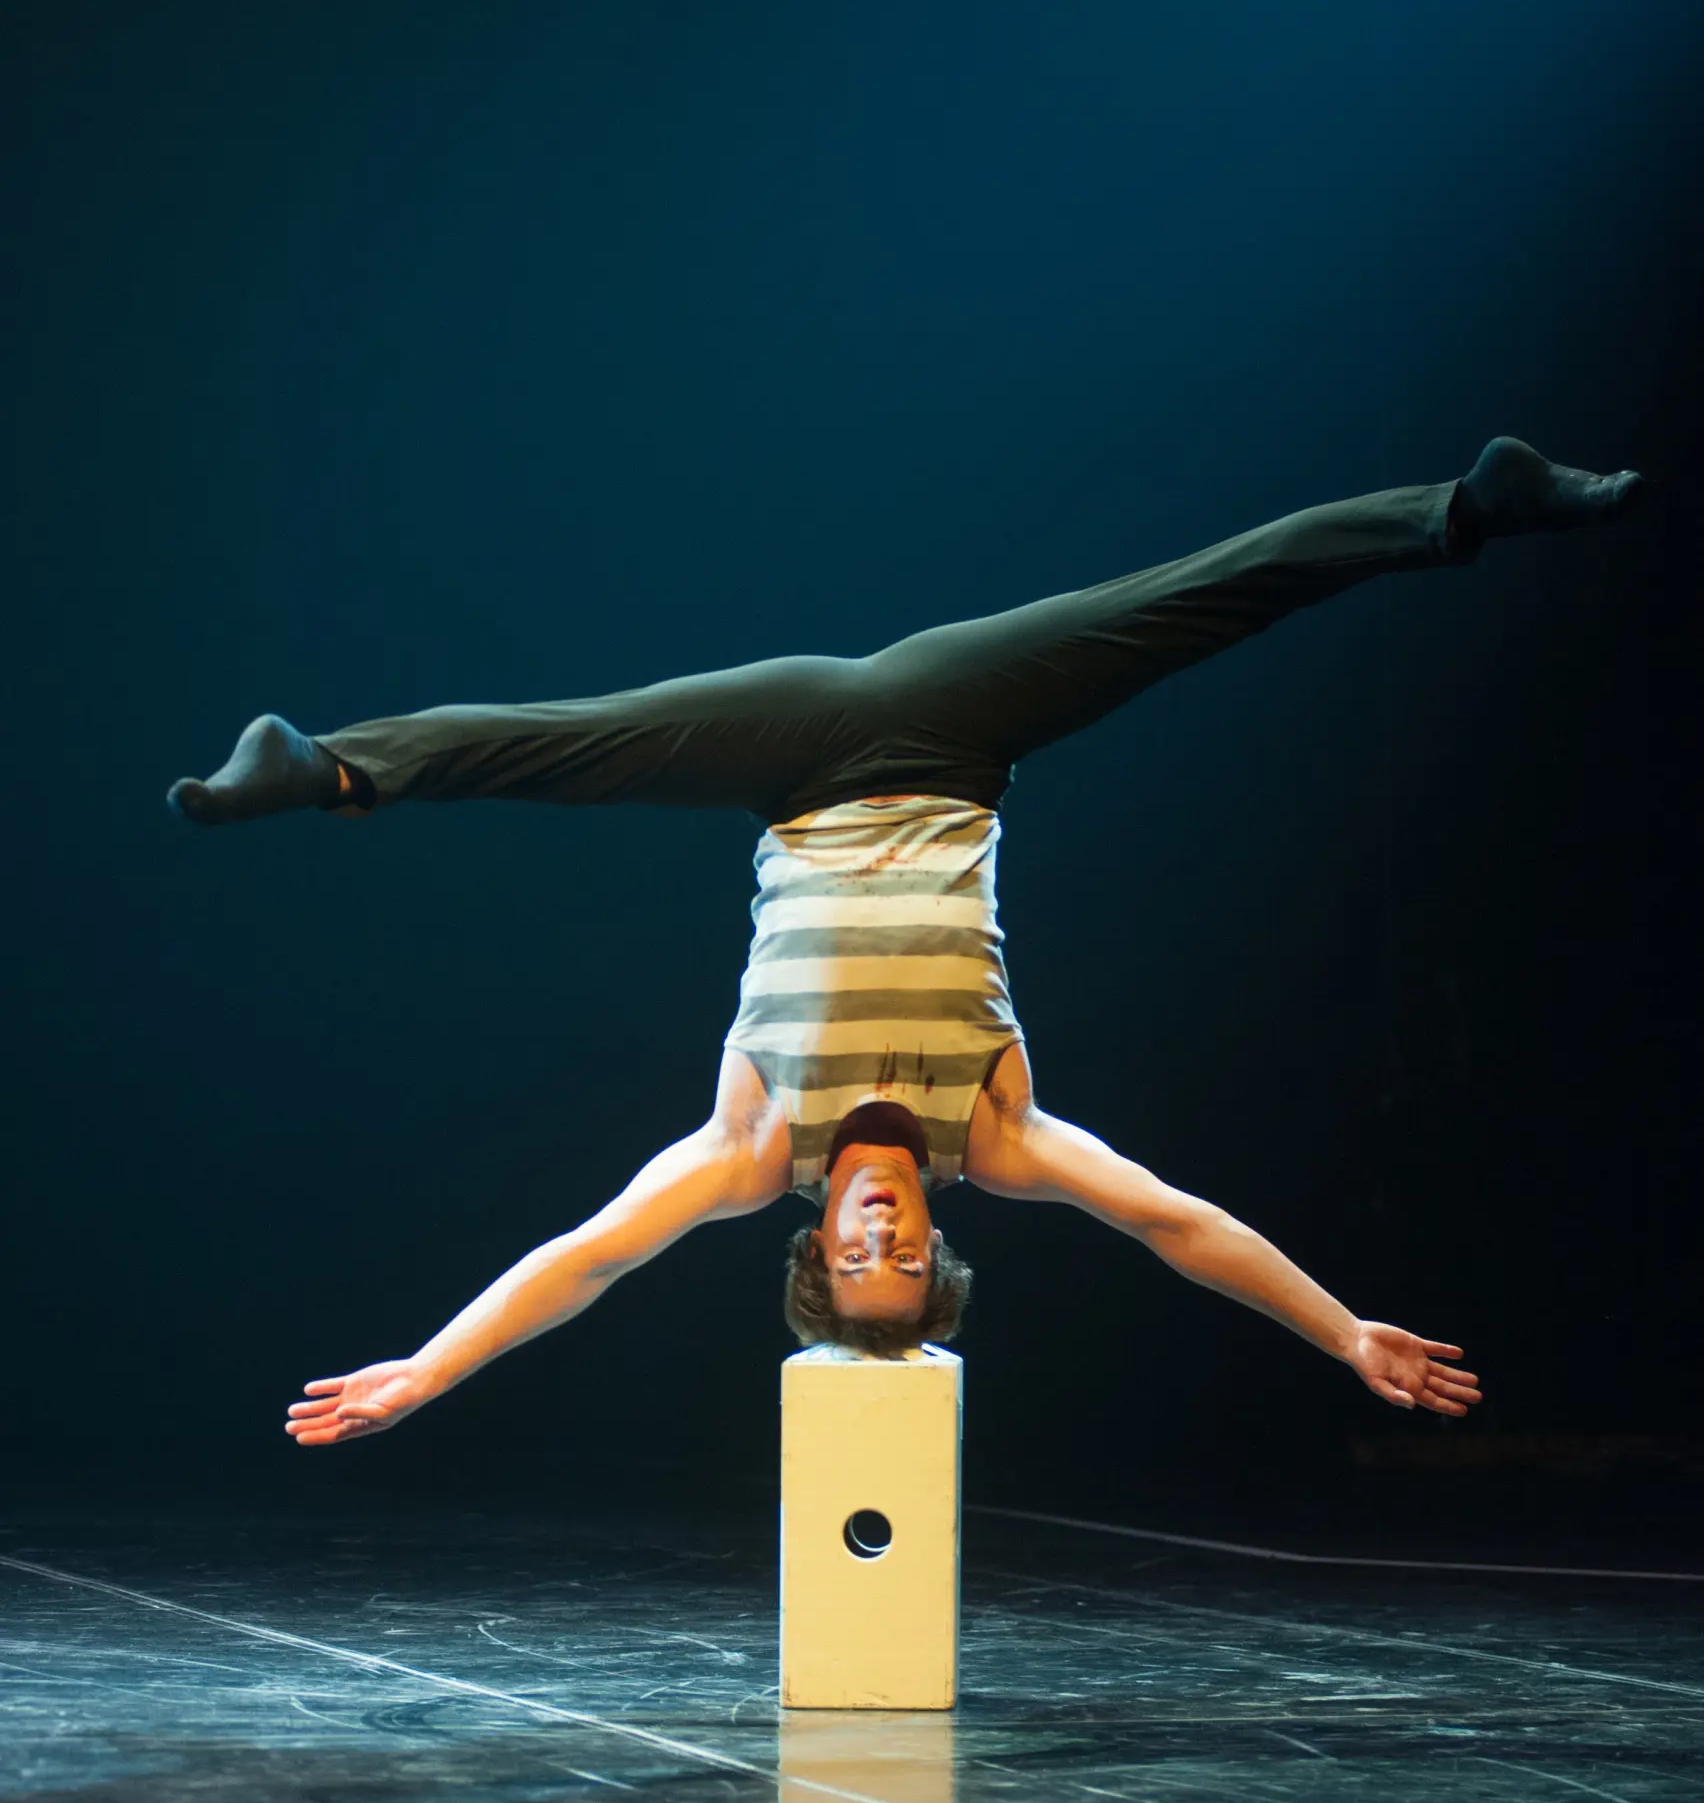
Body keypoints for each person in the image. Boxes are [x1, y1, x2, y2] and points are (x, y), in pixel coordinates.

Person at [165, 436, 1641, 1448]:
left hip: (797, 759)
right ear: (939, 1244)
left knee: (579, 745)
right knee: (1190, 607)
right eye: (910, 1257)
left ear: (822, 1244)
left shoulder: (752, 1152)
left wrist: (427, 1370)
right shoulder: (994, 1135)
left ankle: (328, 766)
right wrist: (1343, 1335)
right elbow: (1178, 1225)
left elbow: (585, 1260)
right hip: (954, 734)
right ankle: (1466, 510)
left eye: (862, 1257)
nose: (884, 1235)